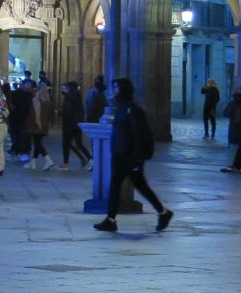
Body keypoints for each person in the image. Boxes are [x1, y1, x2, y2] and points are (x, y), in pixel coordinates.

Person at [93, 78, 172, 234]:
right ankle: (111, 219)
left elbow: (140, 134)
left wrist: (137, 158)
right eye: (114, 87)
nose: (114, 91)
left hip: (131, 157)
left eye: (117, 88)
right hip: (120, 155)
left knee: (138, 186)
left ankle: (163, 213)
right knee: (120, 186)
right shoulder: (121, 108)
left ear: (124, 90)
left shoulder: (133, 109)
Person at [60, 81, 92, 170]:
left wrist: (60, 112)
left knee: (66, 144)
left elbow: (67, 112)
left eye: (65, 88)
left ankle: (66, 164)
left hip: (69, 125)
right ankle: (90, 159)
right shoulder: (77, 97)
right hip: (76, 124)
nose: (63, 90)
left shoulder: (69, 98)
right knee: (78, 143)